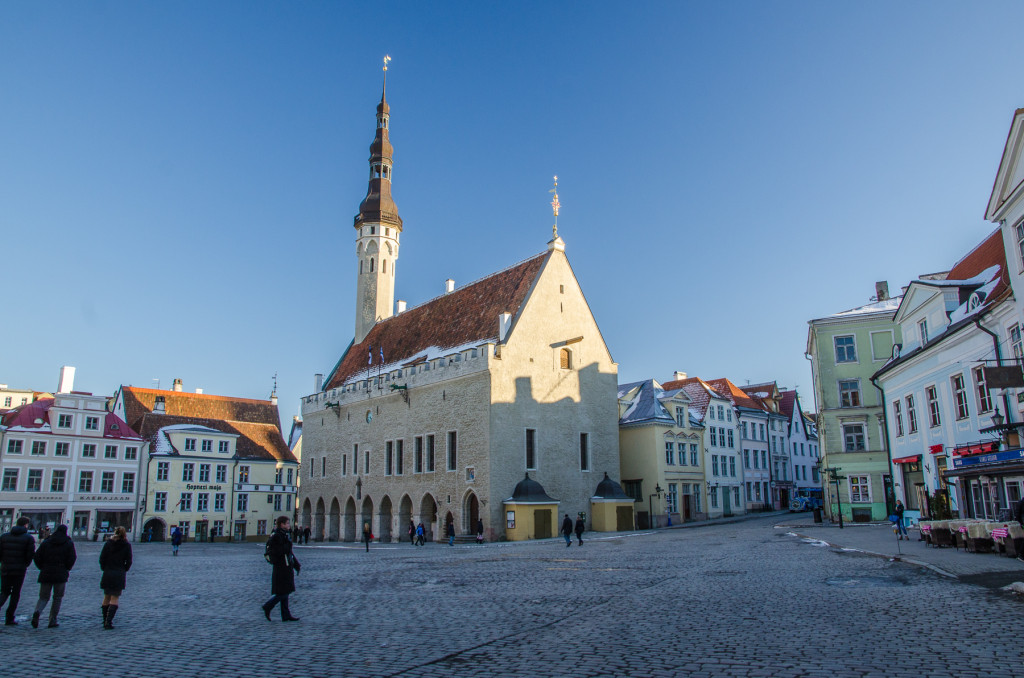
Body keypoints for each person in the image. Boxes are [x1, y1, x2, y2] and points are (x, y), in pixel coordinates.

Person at [31, 524, 76, 628]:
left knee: (43, 597)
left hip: (46, 571)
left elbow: (37, 556)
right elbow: (72, 558)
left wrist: (42, 567)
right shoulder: (68, 543)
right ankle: (52, 619)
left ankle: (37, 611)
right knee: (57, 597)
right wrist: (67, 568)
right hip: (60, 572)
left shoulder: (47, 542)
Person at [262, 516, 300, 622]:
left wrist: (296, 565)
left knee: (286, 591)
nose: (289, 525)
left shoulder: (284, 535)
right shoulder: (277, 536)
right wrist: (287, 546)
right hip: (281, 567)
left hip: (287, 566)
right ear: (282, 524)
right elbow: (278, 551)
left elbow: (289, 553)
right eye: (287, 523)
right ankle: (268, 606)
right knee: (283, 592)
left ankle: (286, 614)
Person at [0, 516, 36, 625]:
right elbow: (30, 555)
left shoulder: (4, 537)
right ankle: (9, 617)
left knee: (4, 592)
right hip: (19, 570)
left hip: (6, 568)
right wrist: (25, 564)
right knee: (15, 594)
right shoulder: (28, 538)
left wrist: (3, 562)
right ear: (25, 525)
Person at [99, 526, 132, 630]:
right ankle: (108, 622)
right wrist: (124, 569)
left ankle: (104, 619)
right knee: (115, 597)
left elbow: (102, 558)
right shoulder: (126, 545)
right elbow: (129, 561)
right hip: (119, 572)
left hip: (108, 572)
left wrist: (105, 568)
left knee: (106, 596)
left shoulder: (108, 544)